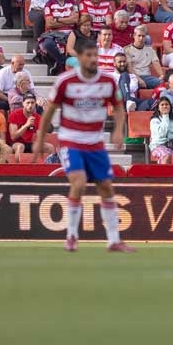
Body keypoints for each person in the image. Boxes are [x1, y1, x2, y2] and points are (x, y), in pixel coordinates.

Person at [32, 39, 132, 253]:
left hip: (95, 142)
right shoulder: (65, 81)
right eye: (88, 55)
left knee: (105, 186)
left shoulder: (108, 81)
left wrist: (118, 130)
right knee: (79, 182)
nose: (93, 59)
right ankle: (71, 236)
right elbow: (50, 110)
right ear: (78, 58)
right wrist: (40, 139)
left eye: (95, 55)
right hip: (71, 140)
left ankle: (114, 240)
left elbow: (118, 107)